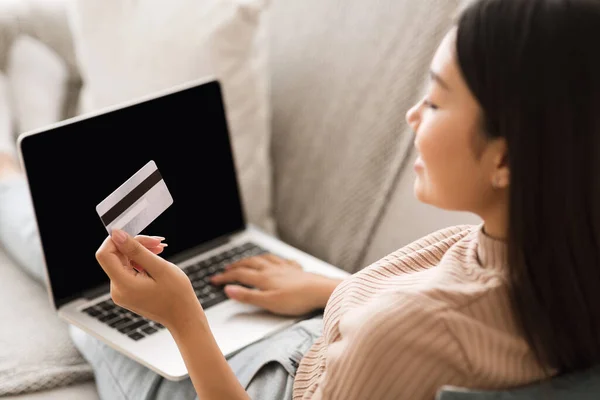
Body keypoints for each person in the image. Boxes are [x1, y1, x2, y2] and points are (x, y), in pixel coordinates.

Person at [3, 0, 600, 398]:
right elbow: (434, 325)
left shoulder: (407, 329)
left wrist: (183, 319)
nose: (413, 115)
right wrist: (330, 290)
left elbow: (413, 332)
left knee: (84, 278)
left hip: (254, 382)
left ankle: (6, 170)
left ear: (506, 158)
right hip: (316, 339)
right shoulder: (544, 258)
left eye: (438, 101)